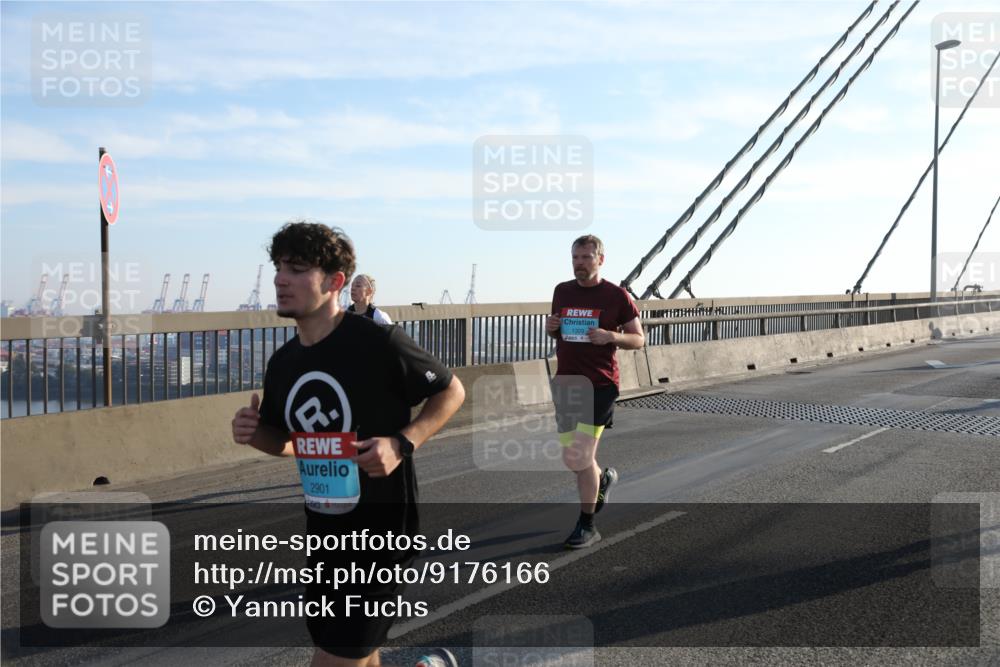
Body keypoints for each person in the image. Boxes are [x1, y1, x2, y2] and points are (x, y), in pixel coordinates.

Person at [231, 220, 464, 667]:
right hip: (324, 530)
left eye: (297, 268)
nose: (281, 278)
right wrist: (255, 433)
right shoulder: (284, 364)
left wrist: (402, 443)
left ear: (336, 282)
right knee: (353, 649)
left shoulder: (379, 342)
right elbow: (291, 443)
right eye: (279, 266)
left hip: (381, 533)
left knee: (338, 654)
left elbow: (451, 391)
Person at [545, 234, 644, 549]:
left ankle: (587, 525)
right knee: (572, 459)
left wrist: (611, 337)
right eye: (575, 257)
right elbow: (561, 333)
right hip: (566, 384)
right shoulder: (562, 291)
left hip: (599, 385)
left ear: (600, 259)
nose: (580, 263)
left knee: (581, 455)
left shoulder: (617, 296)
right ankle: (602, 481)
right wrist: (551, 328)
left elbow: (638, 339)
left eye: (587, 257)